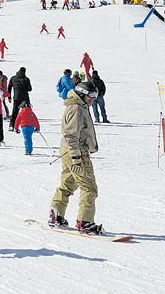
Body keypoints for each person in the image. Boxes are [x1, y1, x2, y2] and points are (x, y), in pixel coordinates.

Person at [49, 81, 102, 234]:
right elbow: (70, 136)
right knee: (89, 187)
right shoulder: (76, 108)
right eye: (91, 96)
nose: (93, 99)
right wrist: (77, 158)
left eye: (95, 96)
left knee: (69, 183)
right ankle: (85, 222)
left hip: (69, 151)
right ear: (81, 94)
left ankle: (56, 214)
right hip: (76, 152)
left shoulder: (79, 106)